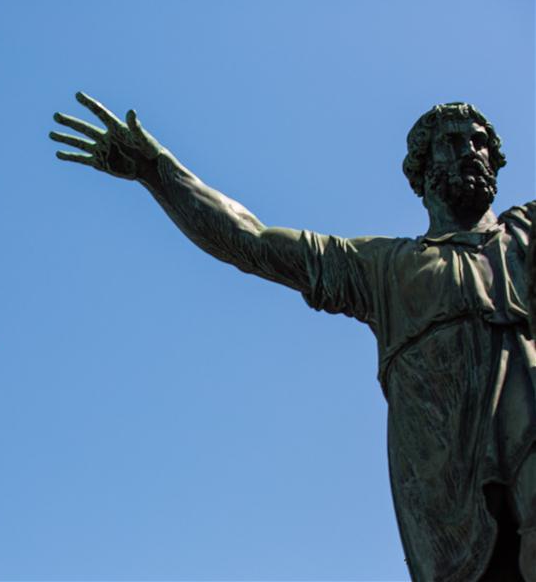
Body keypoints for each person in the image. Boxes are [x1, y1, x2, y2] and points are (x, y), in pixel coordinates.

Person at [51, 93, 536, 581]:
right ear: (422, 168)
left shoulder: (526, 236)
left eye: (479, 143)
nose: (470, 151)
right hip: (448, 499)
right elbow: (252, 240)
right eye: (452, 143)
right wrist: (158, 172)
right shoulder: (385, 269)